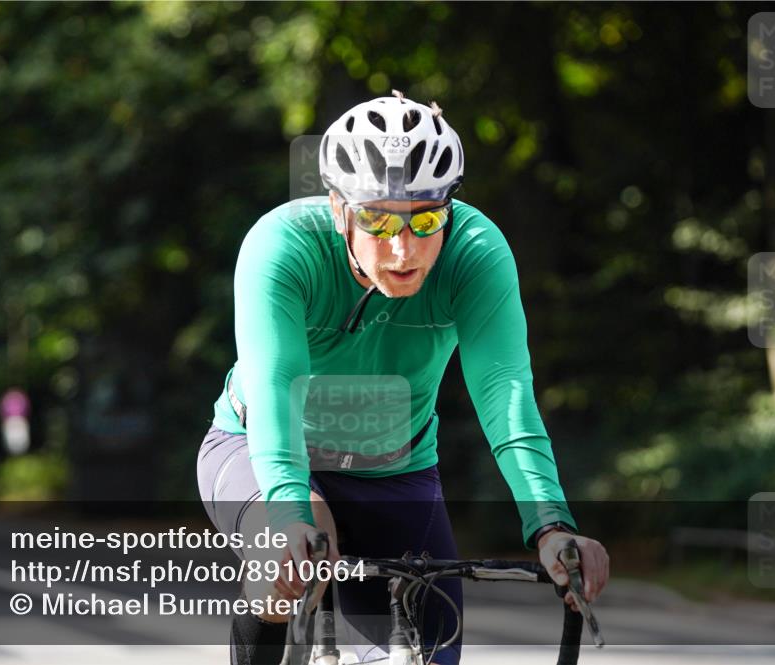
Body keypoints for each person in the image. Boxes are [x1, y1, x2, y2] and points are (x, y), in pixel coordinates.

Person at [197, 90, 609, 665]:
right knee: (287, 567)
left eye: (426, 220)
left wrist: (550, 526)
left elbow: (504, 394)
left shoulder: (475, 252)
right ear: (340, 208)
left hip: (394, 467)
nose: (401, 248)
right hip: (258, 445)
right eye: (376, 218)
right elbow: (275, 390)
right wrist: (289, 513)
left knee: (430, 650)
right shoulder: (282, 246)